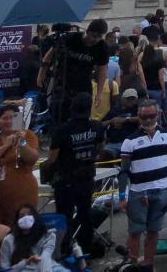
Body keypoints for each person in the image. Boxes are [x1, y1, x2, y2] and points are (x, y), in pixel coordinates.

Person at [118, 99, 167, 270]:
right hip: (138, 192)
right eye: (143, 116)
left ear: (158, 115)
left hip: (162, 190)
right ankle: (132, 264)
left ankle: (147, 263)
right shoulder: (129, 141)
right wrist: (122, 196)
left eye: (151, 116)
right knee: (135, 230)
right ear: (138, 116)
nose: (147, 120)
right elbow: (123, 171)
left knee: (154, 230)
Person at [44, 92, 104, 256]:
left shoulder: (62, 130)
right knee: (85, 214)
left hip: (66, 180)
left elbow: (51, 158)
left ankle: (65, 250)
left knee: (65, 217)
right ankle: (86, 247)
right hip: (86, 177)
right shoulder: (97, 126)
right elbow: (99, 148)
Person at [0, 104, 39, 225]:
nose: (9, 121)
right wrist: (5, 146)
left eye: (12, 118)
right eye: (5, 118)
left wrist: (20, 142)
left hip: (23, 197)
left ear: (18, 119)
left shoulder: (28, 135)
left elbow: (33, 159)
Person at [39, 20, 109, 121]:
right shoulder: (71, 38)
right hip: (62, 84)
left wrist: (99, 93)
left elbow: (102, 70)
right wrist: (41, 75)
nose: (96, 39)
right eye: (94, 35)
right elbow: (48, 56)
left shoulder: (102, 47)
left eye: (99, 37)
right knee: (58, 116)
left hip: (83, 86)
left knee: (81, 118)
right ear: (88, 31)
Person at [0, 204, 63, 272]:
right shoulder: (8, 240)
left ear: (35, 217)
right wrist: (26, 262)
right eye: (22, 216)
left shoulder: (47, 236)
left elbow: (45, 258)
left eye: (29, 214)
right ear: (17, 220)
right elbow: (5, 269)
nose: (26, 218)